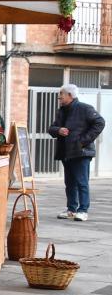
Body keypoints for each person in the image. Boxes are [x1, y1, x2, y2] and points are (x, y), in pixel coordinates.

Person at [48, 84, 105, 222]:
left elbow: (100, 122)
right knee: (70, 183)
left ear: (70, 95)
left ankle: (83, 210)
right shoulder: (61, 111)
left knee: (81, 182)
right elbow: (52, 128)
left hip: (81, 152)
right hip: (67, 152)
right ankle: (71, 209)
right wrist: (58, 130)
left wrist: (82, 141)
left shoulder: (84, 108)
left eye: (61, 94)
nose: (59, 97)